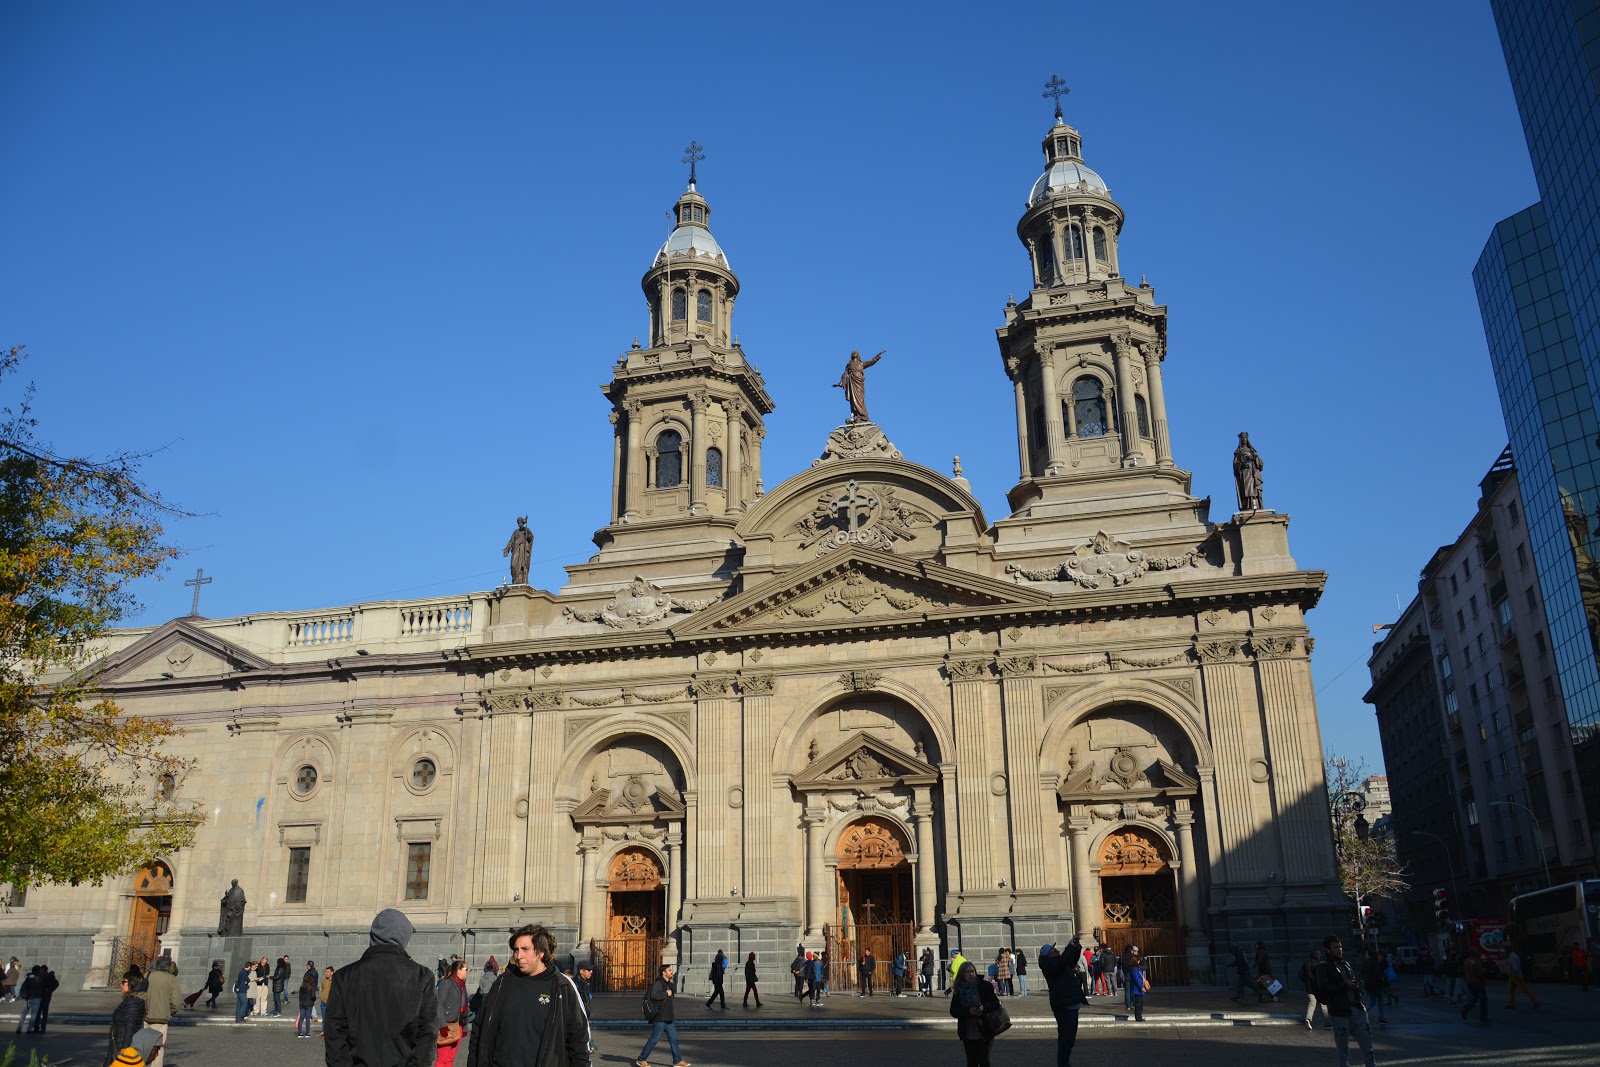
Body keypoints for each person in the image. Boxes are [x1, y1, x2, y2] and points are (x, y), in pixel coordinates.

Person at [325, 908, 439, 1067]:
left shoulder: (344, 976)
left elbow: (334, 1034)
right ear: (402, 936)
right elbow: (427, 1034)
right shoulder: (422, 976)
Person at [467, 923, 590, 1067]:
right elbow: (479, 1028)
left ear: (541, 952)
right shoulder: (502, 984)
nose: (519, 956)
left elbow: (579, 1040)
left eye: (525, 949)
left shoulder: (562, 987)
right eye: (516, 950)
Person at [1312, 936, 1376, 1067]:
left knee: (1367, 1044)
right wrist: (1344, 985)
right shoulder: (1323, 967)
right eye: (1336, 947)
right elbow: (1324, 989)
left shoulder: (1345, 964)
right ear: (1328, 950)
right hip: (1339, 1011)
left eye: (1340, 947)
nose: (1339, 950)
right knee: (1343, 1047)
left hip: (1356, 1008)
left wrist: (1355, 989)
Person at [1038, 939, 1088, 1067]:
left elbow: (1071, 961)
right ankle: (1063, 1064)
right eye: (1054, 950)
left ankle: (1064, 1063)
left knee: (1068, 1038)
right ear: (1049, 955)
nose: (1057, 950)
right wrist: (1069, 947)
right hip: (1064, 1005)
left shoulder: (1057, 963)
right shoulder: (1049, 965)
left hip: (1069, 1004)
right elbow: (1064, 960)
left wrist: (1076, 948)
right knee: (1067, 1038)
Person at [950, 959, 1002, 1067]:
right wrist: (968, 1011)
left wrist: (983, 1008)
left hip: (985, 1027)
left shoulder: (984, 985)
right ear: (962, 974)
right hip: (967, 1029)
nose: (971, 974)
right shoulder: (958, 990)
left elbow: (995, 1003)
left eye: (972, 971)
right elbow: (953, 1010)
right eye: (967, 972)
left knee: (984, 1060)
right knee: (971, 1061)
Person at [634, 962, 688, 1067]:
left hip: (669, 1017)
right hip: (660, 1017)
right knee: (654, 1040)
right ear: (663, 973)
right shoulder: (658, 983)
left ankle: (677, 1061)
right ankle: (641, 1059)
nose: (671, 972)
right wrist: (665, 994)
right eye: (669, 970)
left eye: (671, 970)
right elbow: (654, 995)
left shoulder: (669, 984)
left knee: (674, 1039)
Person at [138, 956, 181, 1061]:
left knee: (143, 1045)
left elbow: (139, 994)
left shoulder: (147, 976)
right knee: (158, 1047)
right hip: (161, 1018)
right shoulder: (172, 979)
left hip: (145, 1015)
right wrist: (170, 1011)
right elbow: (175, 1000)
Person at [105, 975, 147, 1067]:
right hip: (118, 1041)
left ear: (132, 984)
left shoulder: (133, 1002)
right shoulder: (131, 1000)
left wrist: (125, 1047)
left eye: (124, 982)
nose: (121, 984)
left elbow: (130, 1026)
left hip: (122, 1043)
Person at [435, 958, 469, 1066]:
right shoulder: (446, 983)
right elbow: (439, 1004)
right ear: (458, 970)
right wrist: (443, 1025)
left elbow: (464, 1008)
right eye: (466, 969)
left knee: (450, 1058)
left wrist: (464, 1028)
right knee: (442, 1059)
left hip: (458, 1024)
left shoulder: (462, 986)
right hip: (447, 1025)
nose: (467, 971)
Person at [1297, 948, 1327, 1030]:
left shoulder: (1306, 962)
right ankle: (1328, 1022)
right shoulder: (1319, 964)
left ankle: (1308, 1019)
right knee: (1324, 1005)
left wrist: (1306, 981)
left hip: (1310, 988)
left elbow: (1300, 974)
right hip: (1319, 988)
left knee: (1311, 1004)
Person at [1459, 952, 1489, 1025]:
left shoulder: (1466, 961)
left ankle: (1465, 1008)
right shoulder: (1476, 961)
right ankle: (1483, 1017)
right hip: (1478, 983)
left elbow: (1463, 972)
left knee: (1473, 999)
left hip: (1470, 983)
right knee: (1483, 1000)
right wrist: (1484, 980)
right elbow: (1479, 972)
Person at [1360, 950, 1386, 1025]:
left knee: (1372, 1001)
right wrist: (1382, 978)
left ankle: (1364, 1014)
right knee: (1380, 1001)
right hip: (1377, 984)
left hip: (1369, 985)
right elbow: (1377, 974)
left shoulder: (1365, 962)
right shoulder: (1376, 963)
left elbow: (1362, 972)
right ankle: (1381, 1018)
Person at [14, 965, 41, 1034]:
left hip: (28, 997)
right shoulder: (39, 977)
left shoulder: (28, 977)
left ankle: (19, 1028)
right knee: (34, 1014)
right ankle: (29, 1029)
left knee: (24, 1013)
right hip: (36, 997)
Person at [34, 965, 58, 1032]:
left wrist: (50, 990)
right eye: (40, 970)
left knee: (44, 1013)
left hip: (45, 996)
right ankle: (36, 1027)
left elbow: (56, 983)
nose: (40, 971)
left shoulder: (49, 977)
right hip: (39, 996)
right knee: (38, 1012)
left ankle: (42, 1028)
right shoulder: (39, 976)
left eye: (42, 970)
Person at [294, 970, 318, 1038]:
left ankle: (300, 1033)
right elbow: (313, 996)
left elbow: (300, 996)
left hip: (302, 1004)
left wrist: (300, 1002)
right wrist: (313, 1000)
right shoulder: (312, 985)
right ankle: (307, 1033)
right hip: (309, 1004)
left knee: (301, 1019)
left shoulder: (302, 986)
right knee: (308, 1019)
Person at [1127, 948, 1148, 1022]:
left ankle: (1139, 1016)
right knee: (1138, 1003)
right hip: (1137, 989)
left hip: (1138, 988)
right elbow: (1136, 979)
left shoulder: (1136, 968)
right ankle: (1138, 1017)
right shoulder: (1134, 969)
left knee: (1141, 1003)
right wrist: (1141, 987)